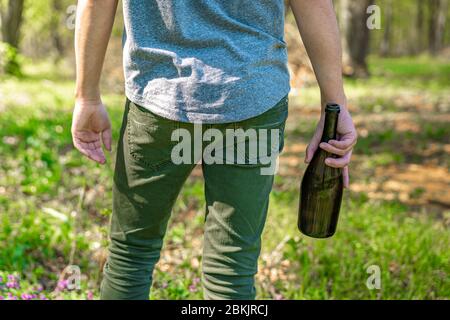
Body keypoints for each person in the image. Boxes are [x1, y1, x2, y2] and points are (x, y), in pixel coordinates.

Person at [71, 0, 357, 300]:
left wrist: (87, 97)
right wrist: (333, 104)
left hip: (159, 94)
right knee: (231, 270)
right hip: (250, 94)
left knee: (131, 257)